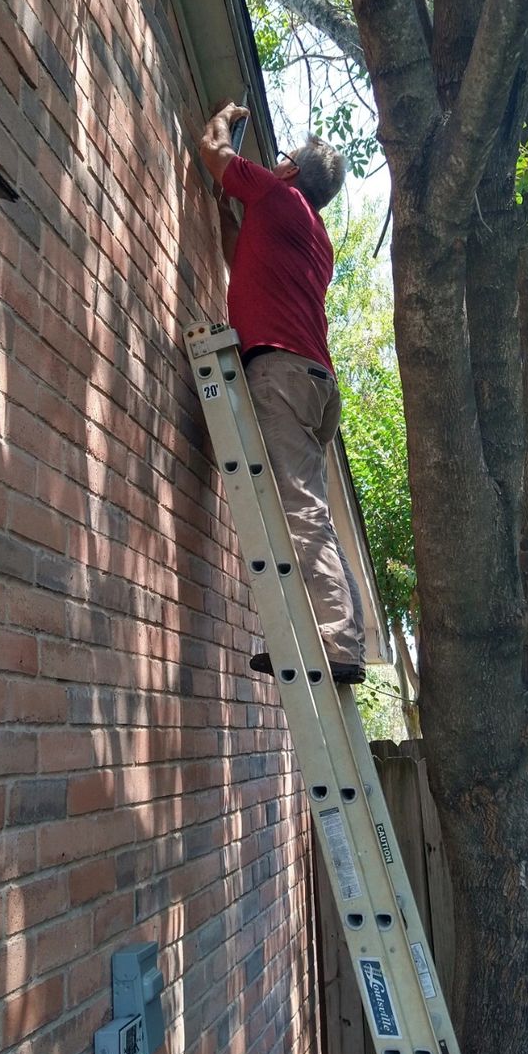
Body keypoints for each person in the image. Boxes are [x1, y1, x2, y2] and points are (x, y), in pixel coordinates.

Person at [198, 100, 365, 684]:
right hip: (313, 383)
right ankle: (336, 633)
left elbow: (212, 151)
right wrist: (225, 212)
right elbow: (239, 255)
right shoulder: (311, 234)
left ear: (290, 170)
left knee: (300, 511)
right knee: (309, 510)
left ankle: (338, 645)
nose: (273, 161)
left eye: (281, 156)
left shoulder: (277, 196)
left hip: (284, 374)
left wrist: (224, 117)